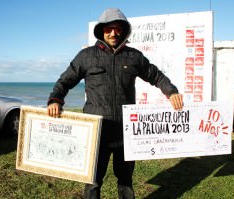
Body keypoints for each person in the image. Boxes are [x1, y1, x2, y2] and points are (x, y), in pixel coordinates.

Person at [47, 8, 183, 199]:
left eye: (117, 29)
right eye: (109, 29)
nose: (113, 33)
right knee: (93, 181)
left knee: (126, 181)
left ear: (123, 31)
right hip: (96, 132)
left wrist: (171, 91)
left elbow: (155, 75)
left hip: (126, 132)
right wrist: (55, 100)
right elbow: (65, 81)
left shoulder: (134, 57)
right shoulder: (86, 56)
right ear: (101, 30)